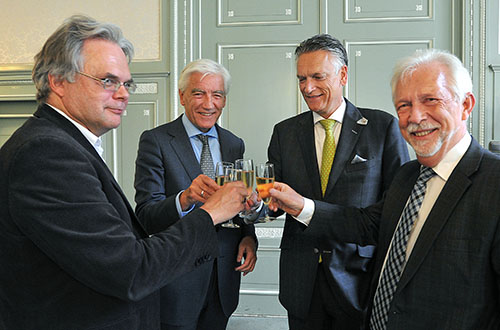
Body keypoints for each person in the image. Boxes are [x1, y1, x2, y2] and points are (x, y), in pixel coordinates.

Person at [0, 15, 250, 330]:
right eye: (108, 80)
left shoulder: (63, 143)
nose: (123, 94)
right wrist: (210, 212)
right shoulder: (46, 153)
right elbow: (130, 269)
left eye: (126, 83)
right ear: (58, 81)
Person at [269, 49, 500, 329]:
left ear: (465, 105)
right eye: (403, 105)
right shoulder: (408, 177)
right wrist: (301, 206)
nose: (415, 116)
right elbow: (368, 224)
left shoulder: (493, 182)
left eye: (430, 100)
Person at [266, 34, 409, 329]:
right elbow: (273, 203)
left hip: (360, 279)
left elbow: (397, 208)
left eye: (318, 76)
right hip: (301, 282)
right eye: (302, 78)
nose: (307, 87)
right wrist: (258, 206)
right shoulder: (284, 133)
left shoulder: (382, 127)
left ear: (343, 74)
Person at [134, 58, 258, 330]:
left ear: (224, 100)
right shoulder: (155, 141)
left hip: (223, 279)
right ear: (181, 96)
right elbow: (145, 215)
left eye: (217, 94)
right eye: (198, 93)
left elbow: (238, 204)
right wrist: (185, 198)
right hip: (177, 283)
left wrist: (249, 237)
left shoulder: (233, 143)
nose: (208, 103)